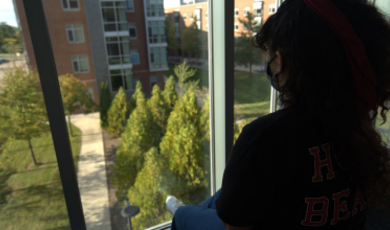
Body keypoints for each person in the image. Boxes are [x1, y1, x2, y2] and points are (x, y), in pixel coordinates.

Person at [166, 0, 390, 229]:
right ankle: (209, 206)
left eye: (269, 56)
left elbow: (233, 226)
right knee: (231, 190)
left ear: (280, 63)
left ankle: (184, 211)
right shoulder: (359, 130)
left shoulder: (262, 138)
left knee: (184, 216)